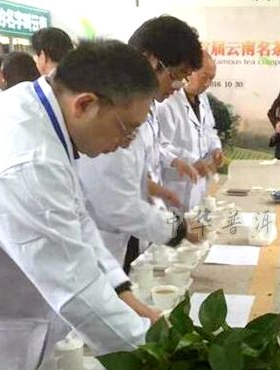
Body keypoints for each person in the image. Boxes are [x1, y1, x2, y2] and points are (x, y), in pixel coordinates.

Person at [0, 40, 159, 370]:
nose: (125, 144)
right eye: (126, 129)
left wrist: (126, 295)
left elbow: (78, 222)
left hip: (19, 319)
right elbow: (75, 289)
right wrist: (160, 357)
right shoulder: (29, 160)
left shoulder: (39, 115)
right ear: (84, 104)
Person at [76, 16, 202, 270]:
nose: (178, 86)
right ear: (151, 60)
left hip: (125, 233)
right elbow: (115, 201)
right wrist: (179, 228)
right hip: (99, 240)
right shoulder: (111, 107)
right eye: (176, 76)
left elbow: (131, 164)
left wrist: (152, 187)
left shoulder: (144, 105)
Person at [157, 50, 225, 209]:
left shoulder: (203, 99)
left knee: (197, 220)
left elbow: (209, 129)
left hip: (198, 185)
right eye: (204, 77)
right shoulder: (167, 101)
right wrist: (191, 160)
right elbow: (160, 146)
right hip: (174, 186)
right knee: (175, 221)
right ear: (189, 73)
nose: (207, 83)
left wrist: (216, 148)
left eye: (211, 79)